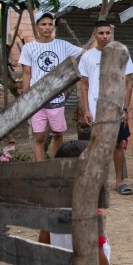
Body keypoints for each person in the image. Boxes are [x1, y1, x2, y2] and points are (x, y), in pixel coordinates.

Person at [78, 20, 133, 195]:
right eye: (101, 33)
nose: (105, 36)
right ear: (95, 34)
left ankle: (120, 181)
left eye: (107, 33)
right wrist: (86, 110)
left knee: (117, 144)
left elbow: (128, 83)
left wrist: (125, 109)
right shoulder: (87, 57)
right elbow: (84, 85)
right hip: (96, 109)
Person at [19, 12, 82, 161]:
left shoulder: (63, 45)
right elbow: (27, 74)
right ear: (37, 27)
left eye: (50, 24)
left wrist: (101, 42)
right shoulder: (29, 48)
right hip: (36, 99)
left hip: (56, 98)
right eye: (43, 24)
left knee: (58, 133)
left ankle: (55, 164)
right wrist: (26, 97)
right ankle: (40, 167)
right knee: (39, 136)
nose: (47, 27)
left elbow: (85, 51)